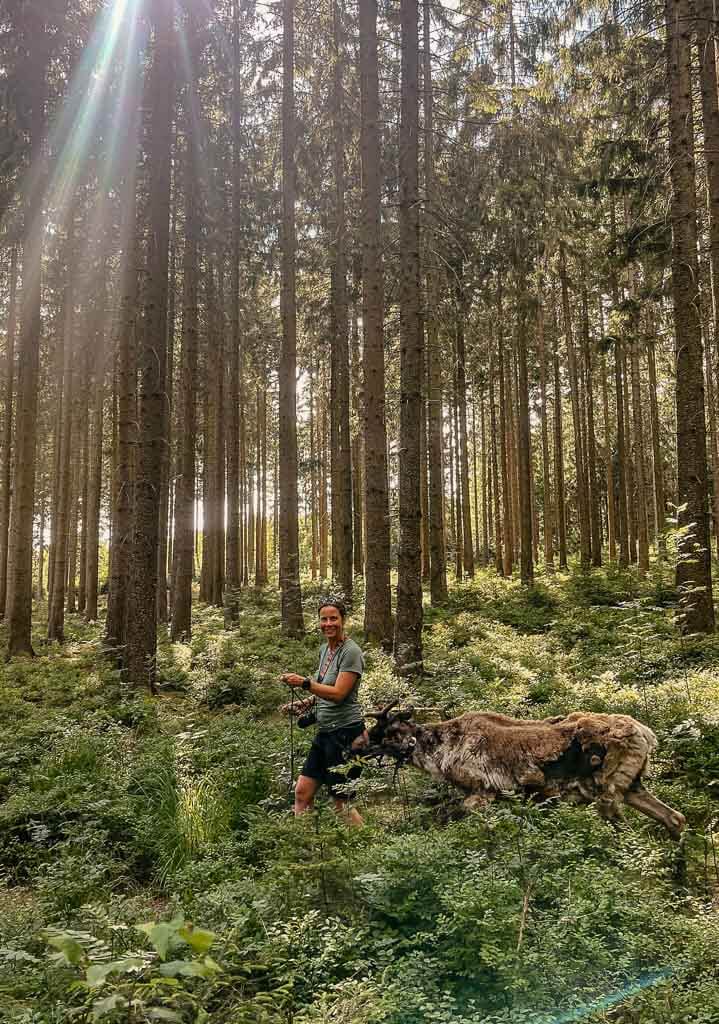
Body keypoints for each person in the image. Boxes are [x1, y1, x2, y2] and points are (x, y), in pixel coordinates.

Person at [281, 598, 366, 826]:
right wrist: (306, 703)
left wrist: (304, 683)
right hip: (325, 732)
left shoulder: (351, 652)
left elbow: (339, 694)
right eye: (324, 619)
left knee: (341, 802)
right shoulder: (324, 650)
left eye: (333, 618)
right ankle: (305, 851)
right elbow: (324, 688)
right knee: (302, 793)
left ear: (343, 620)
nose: (328, 623)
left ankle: (367, 850)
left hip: (346, 735)